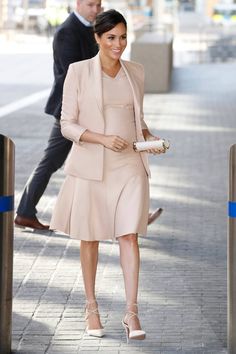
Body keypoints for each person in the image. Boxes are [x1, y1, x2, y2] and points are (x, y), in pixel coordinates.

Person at [50, 9, 165, 341]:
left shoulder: (136, 72)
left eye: (123, 37)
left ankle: (131, 313)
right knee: (90, 237)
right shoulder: (79, 72)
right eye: (111, 37)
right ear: (97, 38)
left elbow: (137, 122)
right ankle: (91, 306)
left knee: (129, 235)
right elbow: (66, 123)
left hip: (130, 164)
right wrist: (101, 139)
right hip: (92, 166)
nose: (118, 44)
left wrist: (150, 139)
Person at [14, 0, 162, 231]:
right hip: (74, 112)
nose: (96, 9)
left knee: (108, 162)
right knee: (52, 161)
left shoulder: (92, 29)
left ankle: (133, 214)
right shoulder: (66, 32)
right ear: (78, 4)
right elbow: (72, 77)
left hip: (97, 112)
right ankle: (24, 212)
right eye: (91, 5)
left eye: (99, 5)